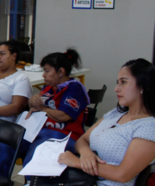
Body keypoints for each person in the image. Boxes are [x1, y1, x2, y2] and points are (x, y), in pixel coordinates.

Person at [0, 48, 89, 179]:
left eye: (47, 71)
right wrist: (32, 102)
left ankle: (31, 182)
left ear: (61, 72)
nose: (43, 75)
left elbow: (63, 116)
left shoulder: (74, 88)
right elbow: (36, 106)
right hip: (38, 131)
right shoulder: (49, 87)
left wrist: (42, 108)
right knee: (5, 144)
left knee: (36, 153)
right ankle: (1, 179)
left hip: (64, 135)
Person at [58, 58, 155, 186]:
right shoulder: (116, 113)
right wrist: (86, 153)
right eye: (117, 82)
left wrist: (78, 162)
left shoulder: (148, 127)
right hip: (82, 179)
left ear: (143, 86)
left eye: (123, 82)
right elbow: (82, 140)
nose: (116, 88)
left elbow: (122, 175)